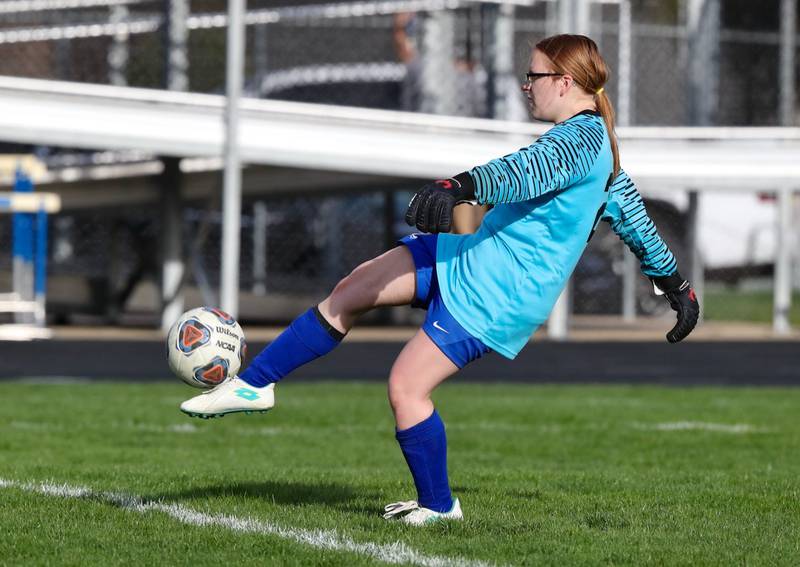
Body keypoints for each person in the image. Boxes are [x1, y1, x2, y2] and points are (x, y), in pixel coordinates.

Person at [180, 34, 700, 526]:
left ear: (564, 82)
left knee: (407, 387)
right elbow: (635, 218)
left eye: (533, 74)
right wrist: (677, 286)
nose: (526, 84)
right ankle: (253, 385)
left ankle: (440, 506)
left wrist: (461, 186)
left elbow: (526, 170)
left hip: (499, 293)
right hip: (474, 257)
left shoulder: (581, 140)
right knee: (355, 289)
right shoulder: (593, 142)